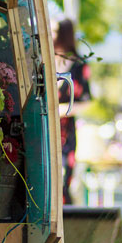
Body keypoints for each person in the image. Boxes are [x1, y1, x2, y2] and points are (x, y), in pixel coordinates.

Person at [53, 18, 92, 204]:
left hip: (65, 133)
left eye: (54, 31)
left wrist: (63, 110)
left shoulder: (78, 65)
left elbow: (87, 101)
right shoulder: (41, 60)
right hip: (42, 128)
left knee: (63, 181)